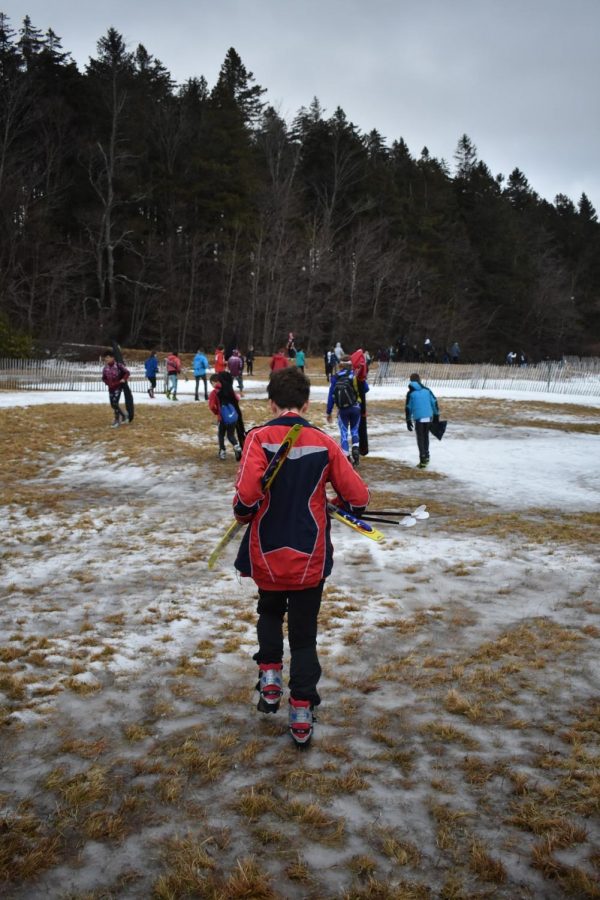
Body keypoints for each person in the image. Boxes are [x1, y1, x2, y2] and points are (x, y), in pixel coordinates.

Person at [232, 367, 369, 745]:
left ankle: (271, 674)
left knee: (270, 612)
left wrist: (243, 513)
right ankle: (302, 709)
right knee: (305, 636)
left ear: (271, 403)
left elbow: (246, 495)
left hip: (267, 551)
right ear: (307, 403)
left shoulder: (258, 437)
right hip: (311, 554)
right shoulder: (324, 443)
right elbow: (359, 496)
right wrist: (336, 502)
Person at [326, 355, 365, 467]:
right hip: (355, 408)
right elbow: (365, 388)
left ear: (340, 365)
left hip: (342, 410)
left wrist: (329, 412)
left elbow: (331, 396)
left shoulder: (335, 377)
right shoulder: (354, 375)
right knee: (354, 431)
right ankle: (356, 448)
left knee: (344, 434)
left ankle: (347, 459)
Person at [405, 373, 440, 469]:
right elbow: (434, 402)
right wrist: (436, 415)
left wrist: (408, 420)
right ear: (419, 380)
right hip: (429, 417)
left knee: (420, 438)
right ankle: (427, 455)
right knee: (426, 436)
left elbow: (408, 408)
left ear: (411, 381)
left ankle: (423, 459)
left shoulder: (410, 393)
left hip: (419, 419)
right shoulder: (427, 390)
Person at [208, 372, 243, 460]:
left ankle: (222, 451)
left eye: (212, 383)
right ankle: (237, 446)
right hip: (233, 416)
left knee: (221, 434)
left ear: (214, 382)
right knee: (231, 435)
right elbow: (237, 399)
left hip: (222, 418)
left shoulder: (214, 393)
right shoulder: (228, 388)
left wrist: (217, 412)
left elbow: (212, 406)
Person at [102, 350, 130, 427]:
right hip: (110, 388)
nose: (106, 359)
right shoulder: (105, 368)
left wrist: (123, 379)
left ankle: (117, 420)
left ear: (112, 358)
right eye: (105, 358)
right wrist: (107, 382)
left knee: (115, 403)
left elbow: (127, 372)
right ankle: (124, 415)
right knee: (113, 405)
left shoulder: (118, 365)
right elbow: (103, 378)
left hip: (118, 387)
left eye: (108, 357)